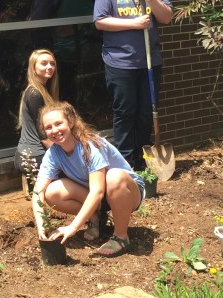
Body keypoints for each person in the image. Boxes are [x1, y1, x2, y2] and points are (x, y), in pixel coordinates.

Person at [93, 0, 173, 170]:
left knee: (146, 114)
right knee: (125, 113)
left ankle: (145, 161)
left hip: (149, 62)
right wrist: (133, 24)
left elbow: (166, 17)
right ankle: (126, 164)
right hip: (120, 63)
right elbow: (100, 22)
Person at [32, 102, 144, 258]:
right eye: (48, 127)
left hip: (127, 192)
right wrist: (41, 224)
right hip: (99, 196)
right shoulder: (53, 153)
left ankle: (121, 237)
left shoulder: (89, 145)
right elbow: (38, 191)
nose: (54, 130)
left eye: (59, 123)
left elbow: (98, 191)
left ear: (70, 122)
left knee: (114, 176)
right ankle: (95, 218)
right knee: (51, 192)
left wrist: (73, 227)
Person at [14, 49, 59, 178]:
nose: (49, 67)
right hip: (34, 157)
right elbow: (43, 134)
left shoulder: (42, 90)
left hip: (32, 153)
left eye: (52, 64)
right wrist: (65, 153)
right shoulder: (35, 94)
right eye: (44, 63)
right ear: (33, 68)